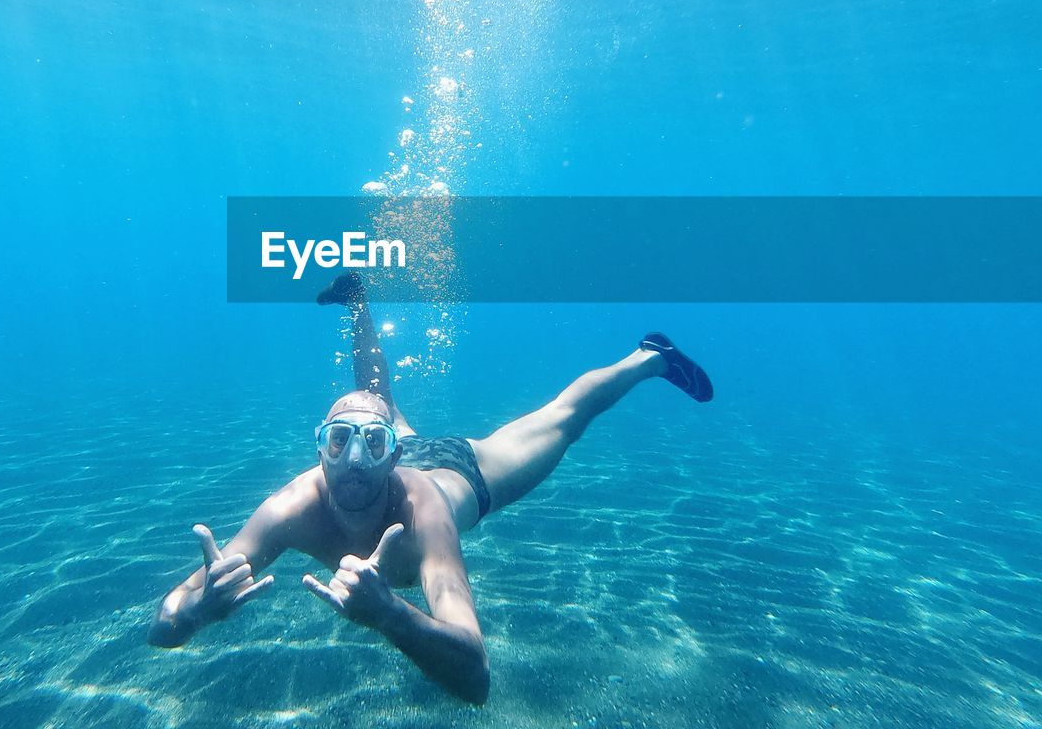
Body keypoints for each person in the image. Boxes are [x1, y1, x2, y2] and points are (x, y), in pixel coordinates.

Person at [147, 274, 713, 703]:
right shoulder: (291, 506)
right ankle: (358, 299)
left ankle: (649, 359)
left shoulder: (422, 516)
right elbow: (166, 620)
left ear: (391, 454)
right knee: (372, 391)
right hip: (407, 453)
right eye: (338, 440)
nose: (352, 462)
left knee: (565, 419)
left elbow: (476, 679)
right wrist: (199, 609)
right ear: (319, 448)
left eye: (370, 444)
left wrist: (391, 614)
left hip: (460, 471)